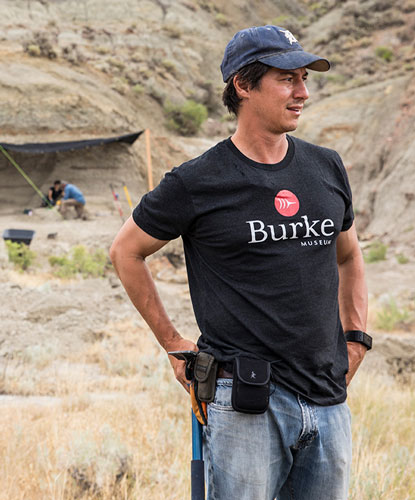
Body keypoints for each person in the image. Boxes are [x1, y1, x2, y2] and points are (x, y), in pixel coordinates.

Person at [110, 25, 370, 500]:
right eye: (286, 79)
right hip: (245, 402)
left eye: (304, 78)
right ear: (243, 85)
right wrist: (172, 343)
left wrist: (356, 338)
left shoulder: (326, 166)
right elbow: (126, 251)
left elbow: (349, 255)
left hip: (329, 398)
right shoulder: (197, 181)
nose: (303, 92)